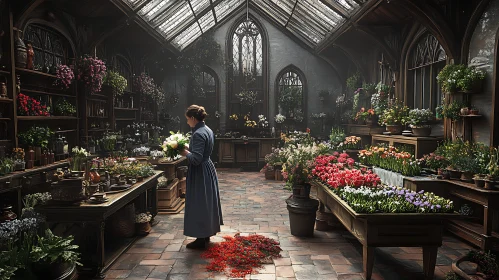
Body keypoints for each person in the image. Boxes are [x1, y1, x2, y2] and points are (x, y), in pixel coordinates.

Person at [180, 105, 223, 249]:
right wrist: (188, 149)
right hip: (207, 168)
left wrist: (183, 152)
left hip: (200, 172)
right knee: (206, 202)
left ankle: (200, 238)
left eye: (187, 119)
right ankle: (205, 235)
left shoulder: (198, 133)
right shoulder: (207, 130)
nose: (187, 122)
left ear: (193, 118)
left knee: (199, 202)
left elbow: (196, 159)